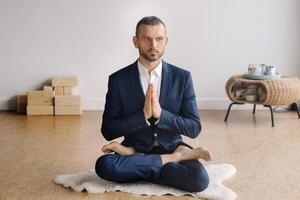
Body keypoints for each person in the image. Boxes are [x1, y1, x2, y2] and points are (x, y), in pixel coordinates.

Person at [95, 16, 212, 192]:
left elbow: (194, 128)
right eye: (146, 39)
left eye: (159, 39)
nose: (153, 45)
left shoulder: (182, 78)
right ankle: (171, 160)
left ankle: (138, 161)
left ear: (166, 41)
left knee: (199, 180)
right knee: (104, 165)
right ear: (136, 41)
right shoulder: (118, 80)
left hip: (170, 146)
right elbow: (108, 130)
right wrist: (141, 117)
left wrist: (161, 115)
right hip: (136, 145)